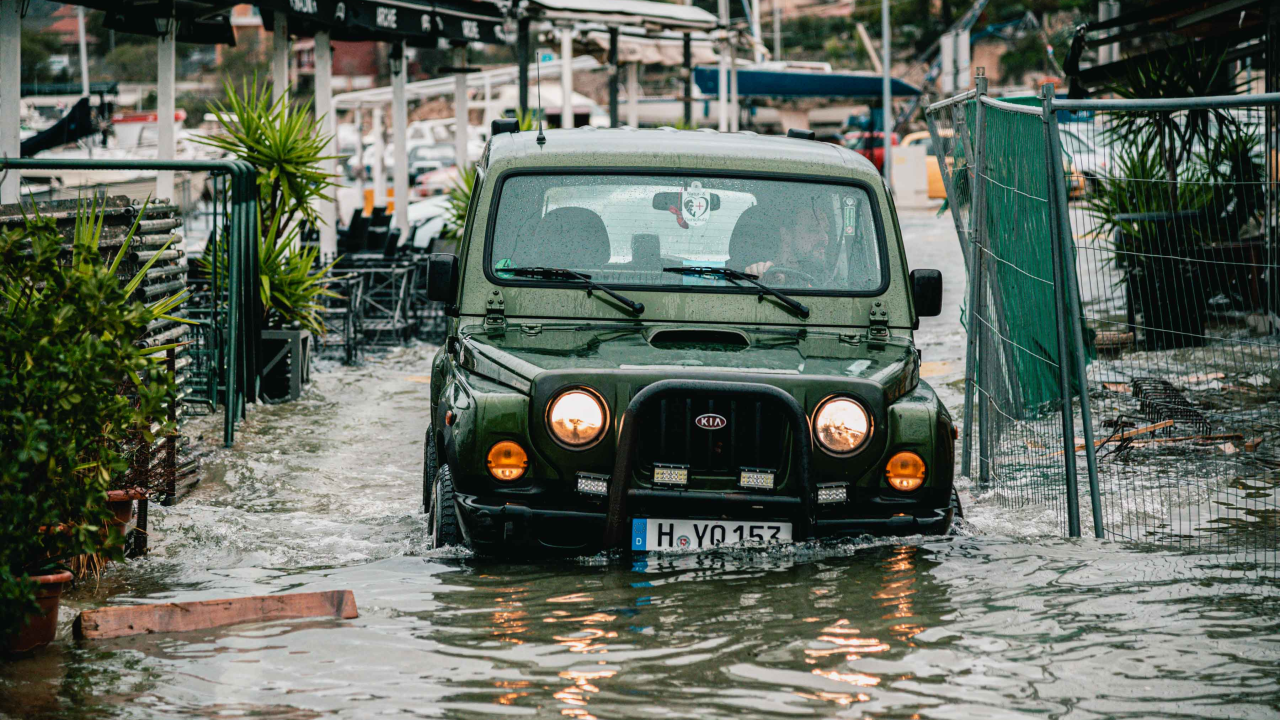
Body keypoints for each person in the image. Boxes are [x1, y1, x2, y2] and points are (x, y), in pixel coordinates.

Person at [744, 197, 836, 286]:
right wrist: (756, 275)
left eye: (826, 230)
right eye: (813, 230)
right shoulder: (764, 274)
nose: (825, 239)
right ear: (786, 235)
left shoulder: (827, 278)